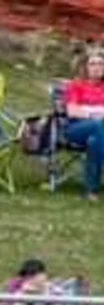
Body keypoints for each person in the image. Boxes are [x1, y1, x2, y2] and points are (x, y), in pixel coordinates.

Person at [63, 46, 104, 203]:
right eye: (93, 64)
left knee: (94, 141)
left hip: (99, 134)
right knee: (98, 125)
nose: (97, 67)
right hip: (76, 129)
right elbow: (72, 111)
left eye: (101, 64)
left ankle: (91, 191)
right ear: (85, 67)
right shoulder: (76, 85)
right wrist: (95, 114)